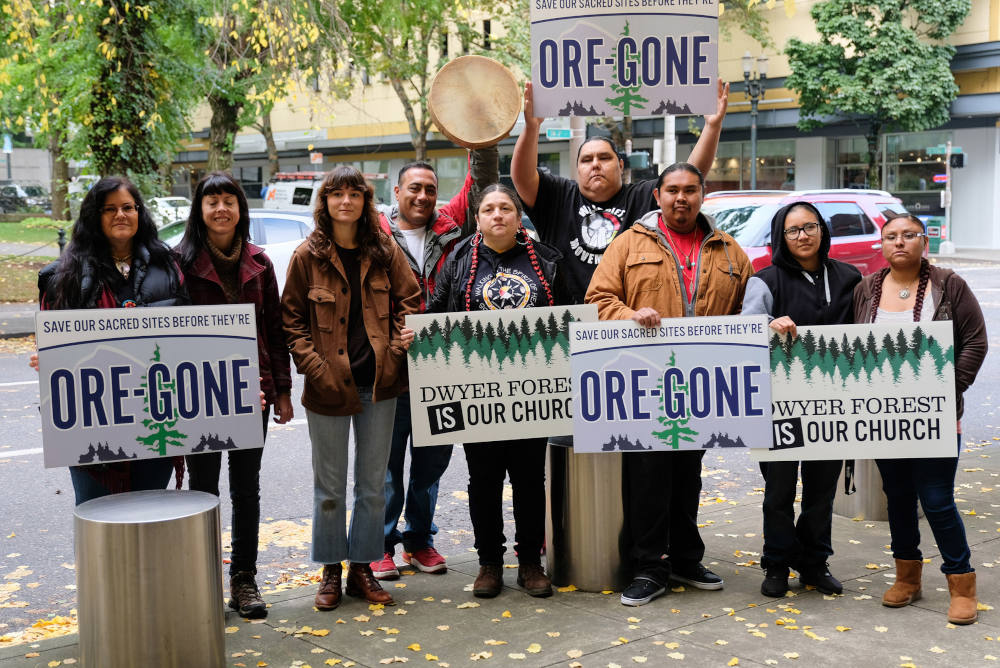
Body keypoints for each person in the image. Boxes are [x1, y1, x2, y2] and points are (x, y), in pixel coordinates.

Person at [586, 163, 753, 607]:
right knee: (648, 475)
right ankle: (648, 566)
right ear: (657, 196)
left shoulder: (730, 251)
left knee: (688, 474)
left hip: (701, 382)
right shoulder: (627, 245)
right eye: (673, 190)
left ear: (703, 194)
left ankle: (684, 557)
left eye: (691, 190)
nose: (682, 198)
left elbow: (746, 313)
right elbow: (598, 299)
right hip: (643, 379)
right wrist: (629, 314)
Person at [282, 165, 421, 610]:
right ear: (324, 203)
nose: (345, 201)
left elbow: (411, 300)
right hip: (328, 388)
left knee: (373, 485)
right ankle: (329, 572)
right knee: (329, 488)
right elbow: (292, 322)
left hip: (380, 385)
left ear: (365, 202)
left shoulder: (384, 249)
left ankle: (362, 567)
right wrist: (316, 367)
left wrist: (397, 350)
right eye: (336, 194)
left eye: (354, 194)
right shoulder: (307, 256)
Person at [427, 184, 565, 599]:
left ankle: (529, 564)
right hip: (477, 392)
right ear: (478, 218)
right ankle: (489, 562)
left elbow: (569, 314)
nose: (498, 215)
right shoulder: (458, 260)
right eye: (489, 208)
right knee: (483, 480)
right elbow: (436, 314)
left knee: (528, 479)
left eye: (506, 207)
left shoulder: (546, 260)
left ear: (518, 216)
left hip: (531, 390)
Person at [853, 212, 987, 625]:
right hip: (885, 420)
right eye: (890, 236)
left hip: (936, 418)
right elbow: (852, 345)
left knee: (937, 499)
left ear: (923, 241)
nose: (899, 242)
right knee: (898, 499)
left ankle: (961, 582)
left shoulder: (948, 285)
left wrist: (947, 391)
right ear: (881, 244)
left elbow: (975, 342)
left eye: (908, 235)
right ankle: (907, 577)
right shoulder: (866, 289)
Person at [174, 171, 293, 618]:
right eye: (212, 201)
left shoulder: (260, 263)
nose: (221, 208)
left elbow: (275, 331)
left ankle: (244, 580)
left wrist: (281, 390)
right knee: (203, 490)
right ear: (199, 210)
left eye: (229, 200)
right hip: (199, 396)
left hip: (252, 394)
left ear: (240, 209)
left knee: (246, 490)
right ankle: (202, 579)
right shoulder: (178, 263)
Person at [35, 176, 188, 504]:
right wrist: (47, 358)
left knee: (150, 520)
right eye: (110, 209)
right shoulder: (64, 278)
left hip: (155, 425)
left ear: (139, 213)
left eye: (128, 207)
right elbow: (58, 353)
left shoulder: (169, 269)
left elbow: (189, 343)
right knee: (102, 530)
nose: (121, 215)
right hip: (94, 436)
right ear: (94, 215)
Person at [510, 79, 728, 304]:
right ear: (578, 169)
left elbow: (689, 177)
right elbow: (522, 177)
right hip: (568, 319)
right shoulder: (559, 196)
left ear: (621, 166)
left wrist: (713, 126)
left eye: (604, 158)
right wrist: (532, 127)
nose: (595, 164)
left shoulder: (642, 196)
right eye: (587, 160)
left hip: (630, 318)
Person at [741, 202, 862, 597]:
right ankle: (776, 563)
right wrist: (767, 324)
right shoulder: (765, 280)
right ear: (781, 237)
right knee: (778, 492)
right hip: (778, 406)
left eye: (810, 227)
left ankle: (814, 563)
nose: (803, 236)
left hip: (831, 405)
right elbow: (744, 332)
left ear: (822, 231)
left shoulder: (849, 278)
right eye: (793, 230)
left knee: (820, 492)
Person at [370, 161, 470, 580]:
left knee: (431, 466)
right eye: (414, 188)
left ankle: (420, 541)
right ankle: (379, 545)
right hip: (391, 370)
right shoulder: (373, 236)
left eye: (430, 189)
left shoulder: (452, 234)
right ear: (396, 192)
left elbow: (478, 173)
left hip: (443, 370)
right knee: (387, 467)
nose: (423, 197)